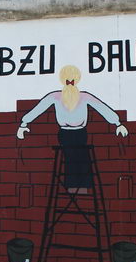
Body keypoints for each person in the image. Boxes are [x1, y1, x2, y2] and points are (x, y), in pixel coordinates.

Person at [17, 65, 129, 194]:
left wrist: (117, 123)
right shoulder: (58, 96)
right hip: (67, 134)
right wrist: (24, 123)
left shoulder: (78, 96)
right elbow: (39, 108)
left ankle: (80, 188)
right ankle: (75, 189)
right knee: (72, 158)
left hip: (77, 133)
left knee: (80, 158)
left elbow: (102, 108)